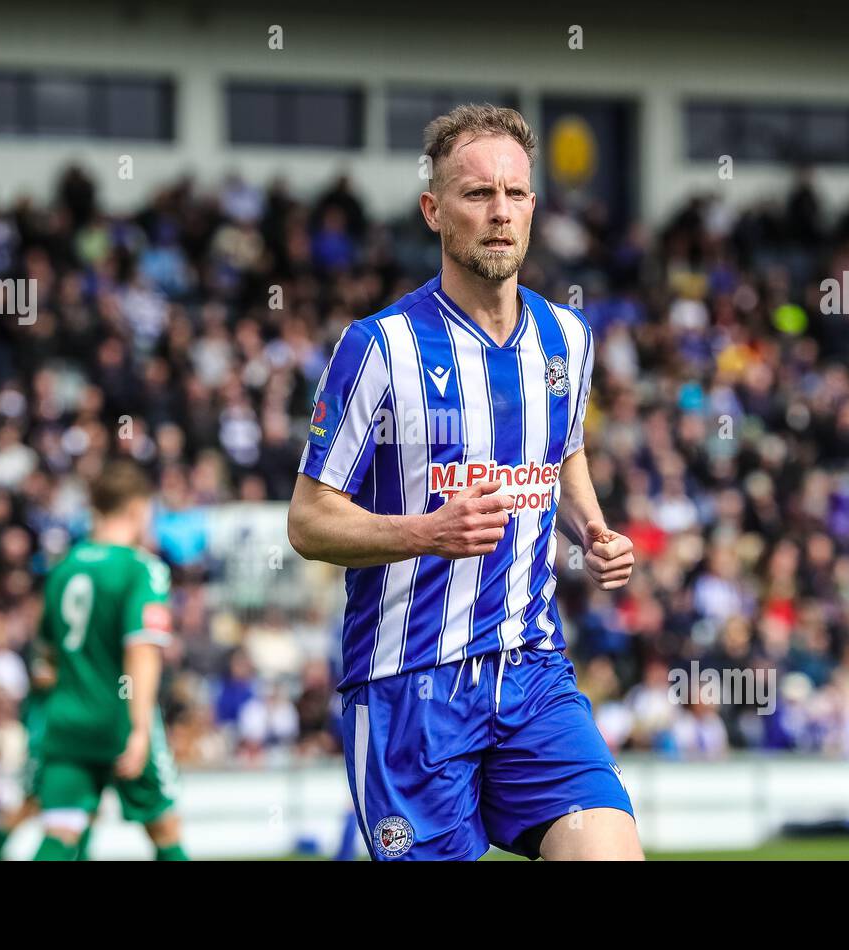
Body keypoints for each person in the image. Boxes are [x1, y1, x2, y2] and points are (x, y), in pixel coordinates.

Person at [288, 104, 640, 861]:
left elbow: (563, 450)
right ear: (434, 210)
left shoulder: (567, 338)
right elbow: (309, 522)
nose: (500, 212)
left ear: (534, 207)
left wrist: (594, 531)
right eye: (477, 194)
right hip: (406, 685)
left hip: (533, 672)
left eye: (515, 194)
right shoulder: (377, 348)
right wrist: (425, 533)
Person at [31, 459, 187, 861]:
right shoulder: (141, 569)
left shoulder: (63, 569)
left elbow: (47, 658)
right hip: (119, 718)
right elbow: (142, 649)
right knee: (165, 828)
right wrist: (137, 728)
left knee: (61, 830)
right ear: (137, 508)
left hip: (67, 720)